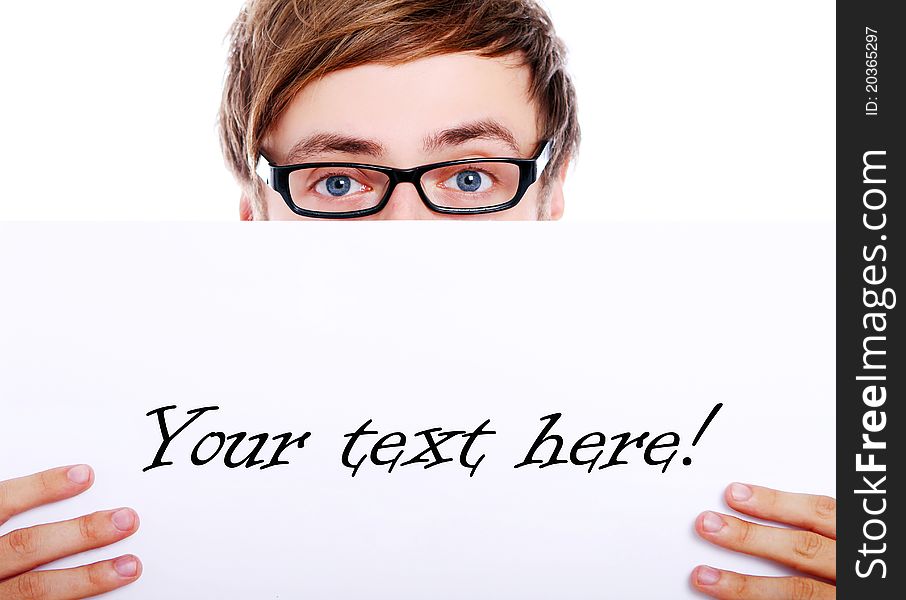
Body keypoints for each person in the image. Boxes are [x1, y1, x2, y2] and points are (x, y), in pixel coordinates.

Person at [0, 1, 836, 598]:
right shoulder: (86, 423)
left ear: (553, 193)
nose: (407, 227)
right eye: (336, 180)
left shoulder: (758, 415)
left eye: (470, 176)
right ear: (256, 210)